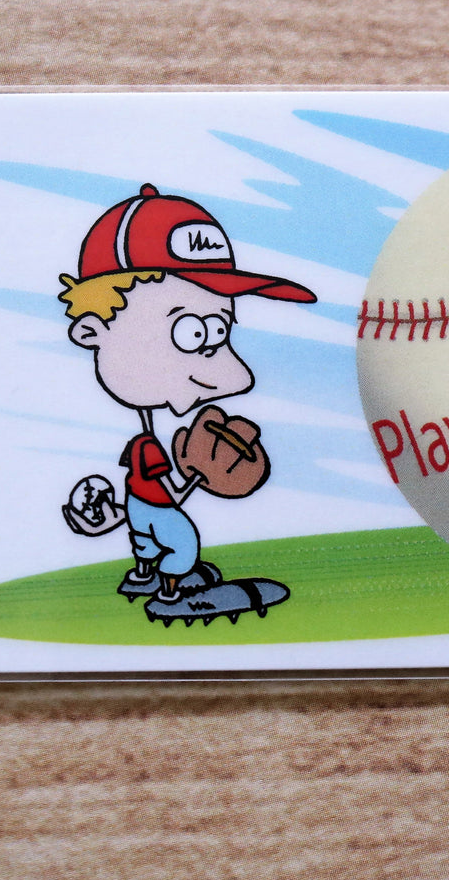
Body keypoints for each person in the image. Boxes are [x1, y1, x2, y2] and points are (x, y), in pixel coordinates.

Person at [58, 184, 316, 624]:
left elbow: (144, 484)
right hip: (155, 508)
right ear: (91, 331)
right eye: (191, 333)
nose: (238, 378)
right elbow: (162, 490)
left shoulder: (144, 439)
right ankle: (171, 592)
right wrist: (196, 480)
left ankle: (145, 575)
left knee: (150, 542)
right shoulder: (145, 443)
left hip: (142, 507)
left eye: (219, 329)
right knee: (182, 544)